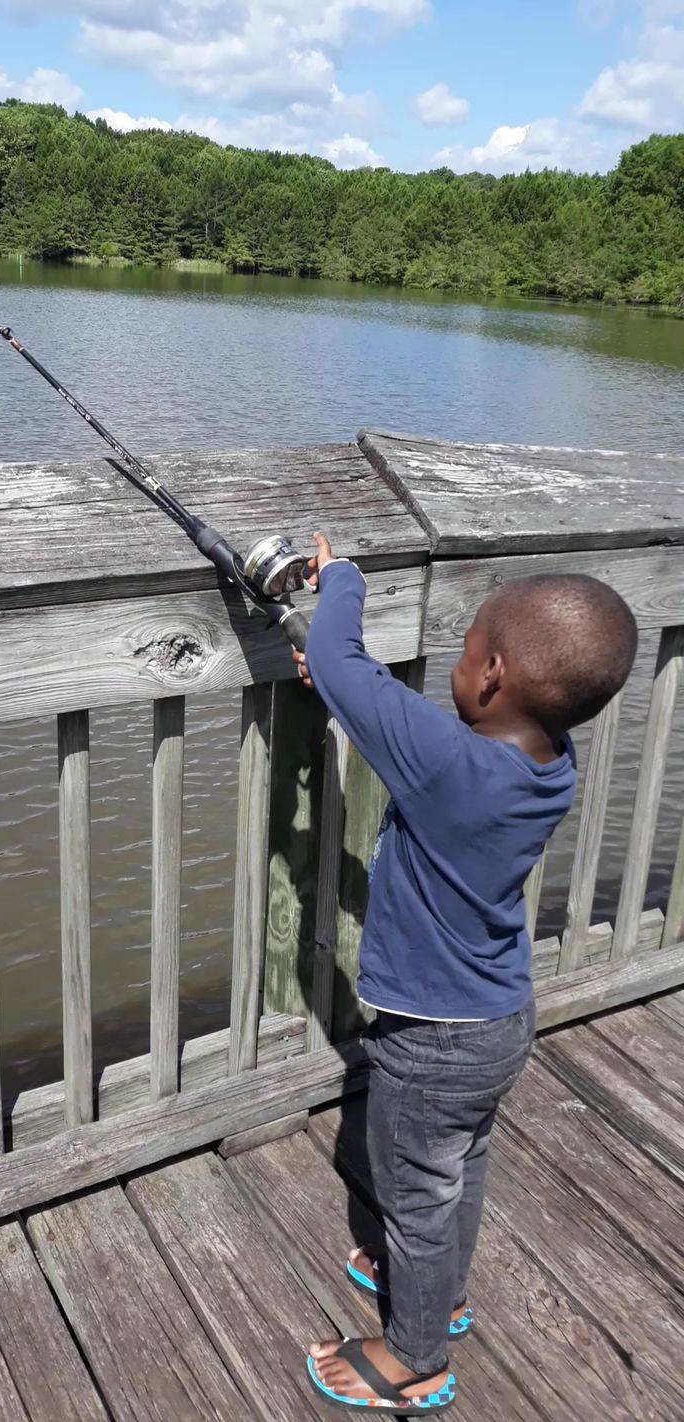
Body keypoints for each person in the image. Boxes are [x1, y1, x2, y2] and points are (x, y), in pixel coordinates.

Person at [294, 532, 638, 1414]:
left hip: (431, 1041)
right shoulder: (550, 761)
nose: (455, 660)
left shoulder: (449, 763)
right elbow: (429, 742)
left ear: (488, 674)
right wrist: (356, 702)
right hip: (496, 1023)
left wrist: (343, 577)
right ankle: (436, 1293)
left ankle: (413, 1355)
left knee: (413, 1194)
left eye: (465, 647)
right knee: (457, 1168)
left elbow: (337, 654)